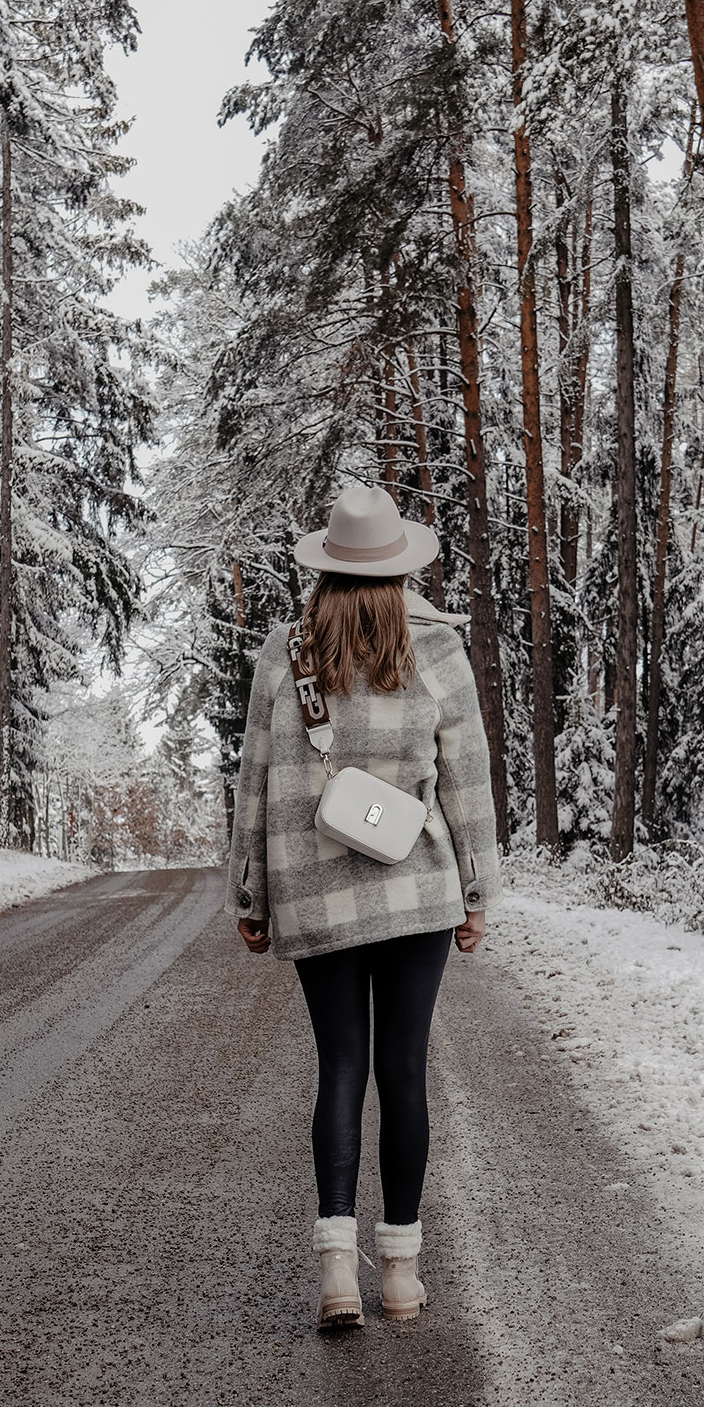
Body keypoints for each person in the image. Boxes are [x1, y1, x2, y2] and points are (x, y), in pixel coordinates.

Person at [225, 483, 502, 1329]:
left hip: (314, 894)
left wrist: (250, 890)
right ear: (400, 567)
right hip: (415, 887)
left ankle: (336, 1275)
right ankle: (402, 1278)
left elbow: (255, 779)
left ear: (324, 570)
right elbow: (467, 784)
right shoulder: (437, 653)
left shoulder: (287, 650)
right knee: (404, 1074)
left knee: (340, 1069)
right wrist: (476, 892)